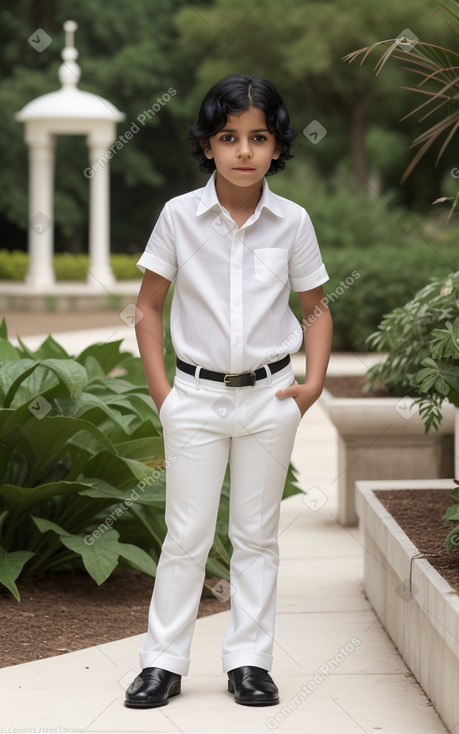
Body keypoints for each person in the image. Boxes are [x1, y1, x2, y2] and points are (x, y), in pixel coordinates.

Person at [125, 73, 332, 709]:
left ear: (277, 146)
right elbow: (147, 309)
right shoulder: (179, 217)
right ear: (208, 146)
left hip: (270, 400)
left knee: (256, 535)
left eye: (258, 137)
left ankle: (250, 663)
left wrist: (313, 384)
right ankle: (162, 663)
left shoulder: (292, 222)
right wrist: (164, 393)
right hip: (194, 399)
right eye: (228, 137)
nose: (244, 150)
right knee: (185, 535)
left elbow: (317, 309)